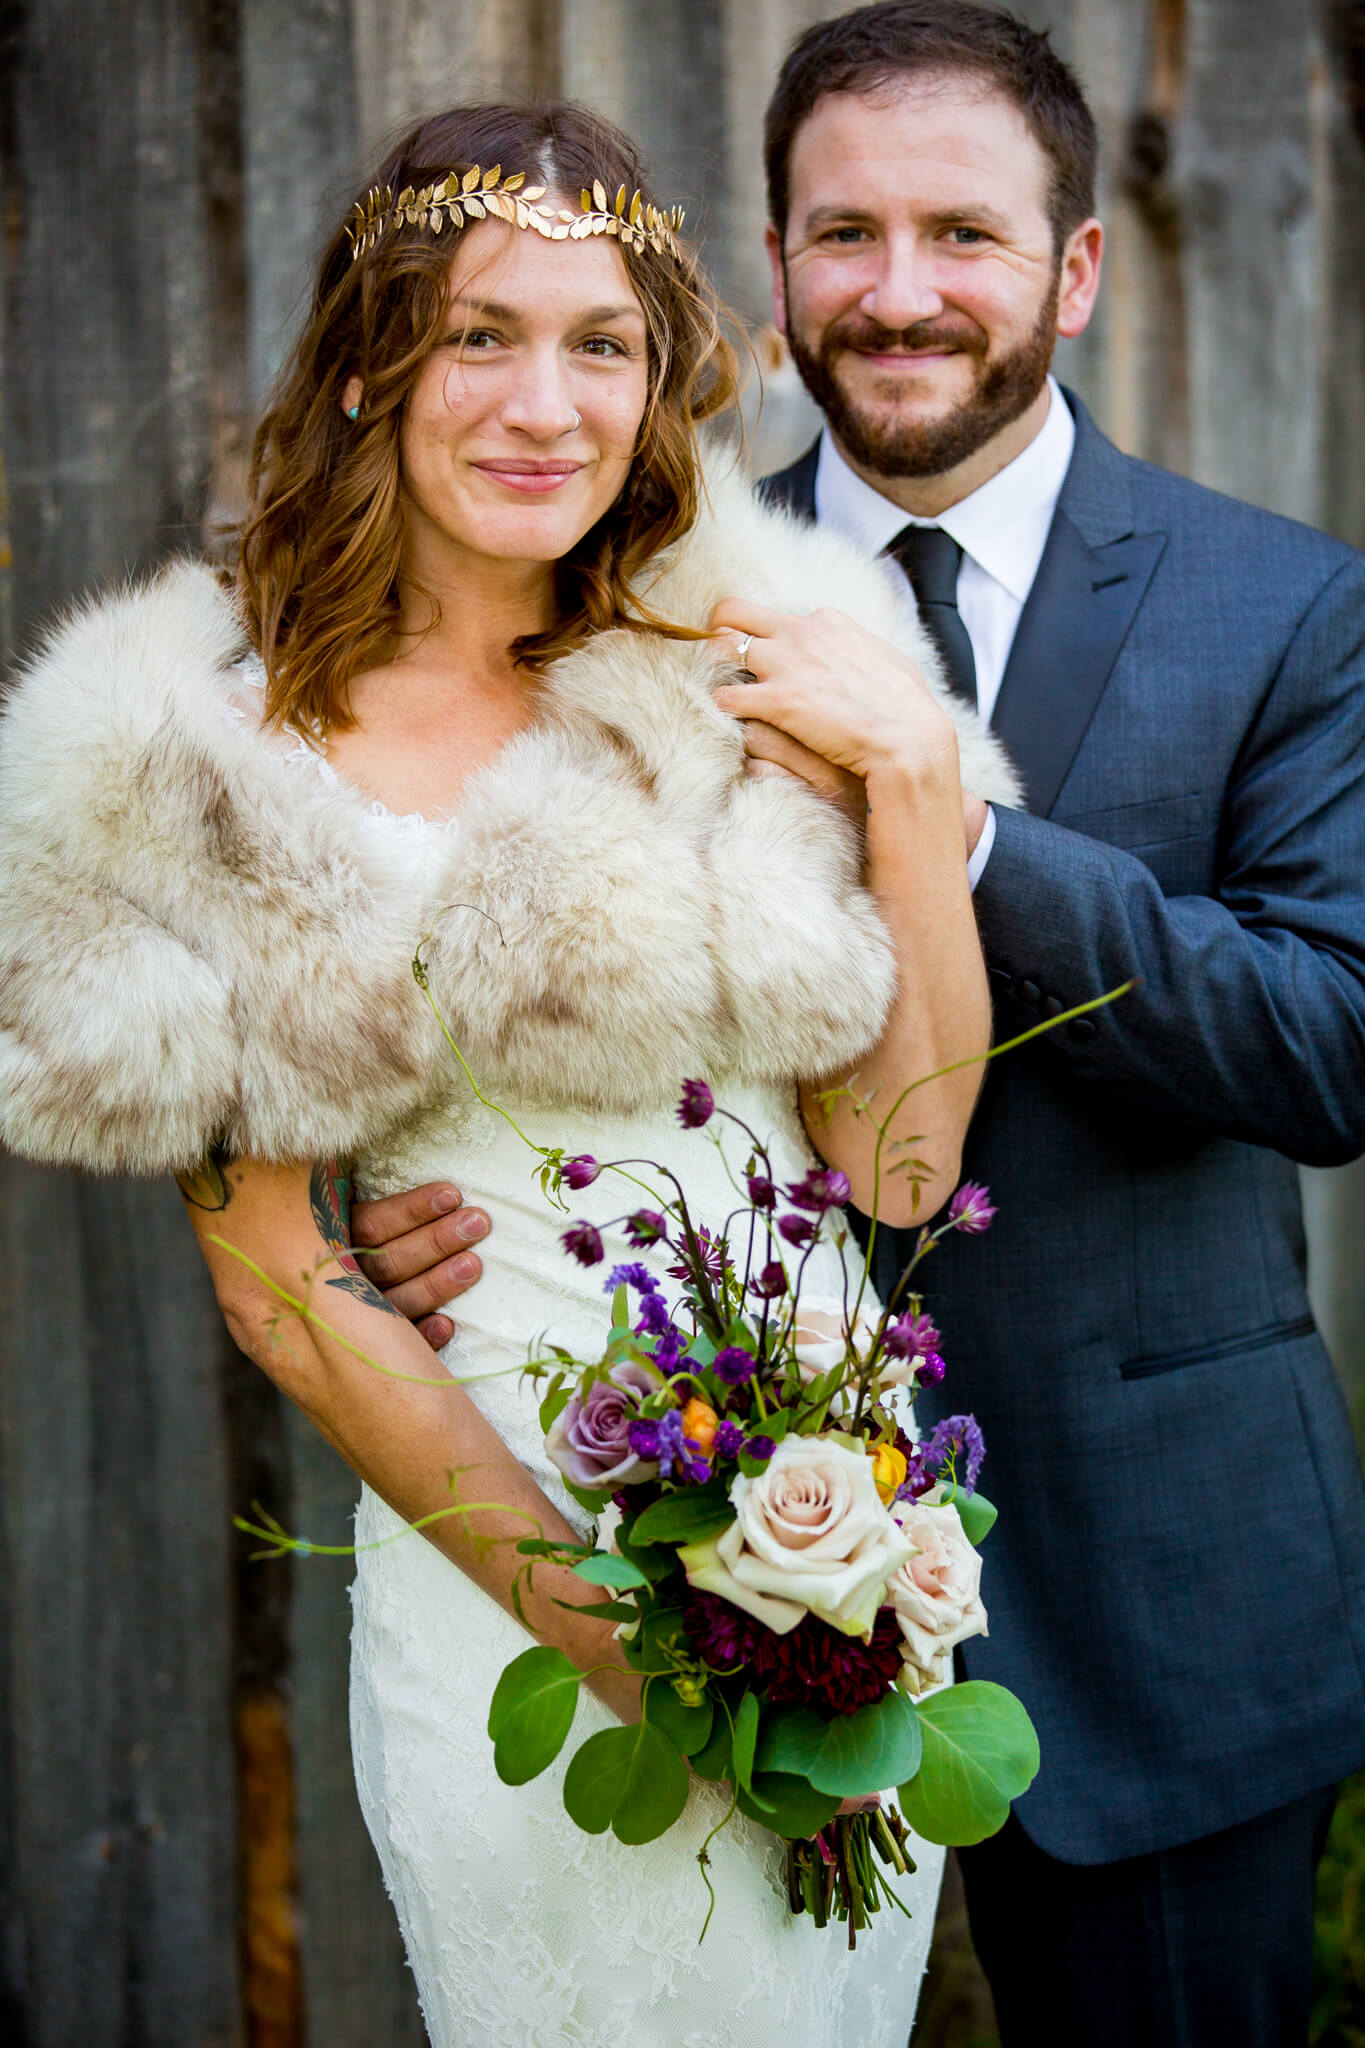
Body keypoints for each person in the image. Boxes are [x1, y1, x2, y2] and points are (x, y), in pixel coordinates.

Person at [357, 7, 1365, 2042]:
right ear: (773, 256)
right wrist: (418, 1219)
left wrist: (951, 820)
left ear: (1070, 268)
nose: (897, 296)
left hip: (1151, 1567)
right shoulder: (621, 584)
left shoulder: (1285, 608)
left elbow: (1323, 1039)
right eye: (842, 235)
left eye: (960, 236)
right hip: (696, 1551)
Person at [0, 99, 1021, 2047]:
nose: (542, 402)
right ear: (373, 357)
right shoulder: (196, 748)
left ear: (659, 388)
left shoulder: (732, 672)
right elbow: (284, 1287)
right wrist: (624, 1636)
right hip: (512, 1597)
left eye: (600, 345)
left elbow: (894, 1171)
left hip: (830, 1561)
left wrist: (899, 787)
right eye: (480, 334)